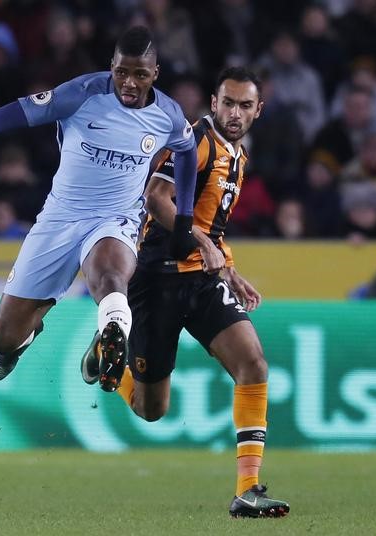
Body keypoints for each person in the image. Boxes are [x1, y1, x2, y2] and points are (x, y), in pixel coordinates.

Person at [0, 26, 199, 391]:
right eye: (121, 72)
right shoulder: (81, 94)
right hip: (59, 218)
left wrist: (185, 216)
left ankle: (111, 335)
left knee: (110, 276)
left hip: (116, 218)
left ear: (155, 74)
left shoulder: (169, 115)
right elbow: (6, 116)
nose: (129, 83)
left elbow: (187, 153)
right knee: (2, 341)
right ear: (111, 66)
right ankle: (26, 336)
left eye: (141, 75)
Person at [80, 67, 289, 518]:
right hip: (155, 280)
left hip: (201, 281)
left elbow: (210, 222)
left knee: (253, 363)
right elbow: (157, 198)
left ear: (258, 110)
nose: (235, 113)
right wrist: (206, 243)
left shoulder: (238, 156)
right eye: (228, 103)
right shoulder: (194, 140)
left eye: (245, 105)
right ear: (214, 103)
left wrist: (227, 268)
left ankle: (247, 490)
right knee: (150, 409)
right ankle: (105, 359)